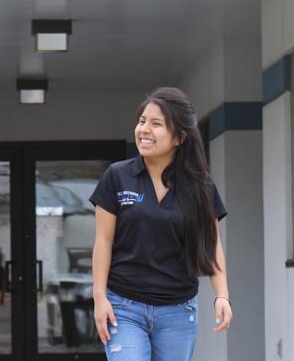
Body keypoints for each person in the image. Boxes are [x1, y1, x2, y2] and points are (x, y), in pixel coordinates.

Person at [89, 87, 232, 361]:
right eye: (142, 121)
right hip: (123, 306)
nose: (144, 130)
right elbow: (103, 242)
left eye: (156, 124)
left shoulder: (201, 186)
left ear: (179, 137)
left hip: (177, 310)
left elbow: (211, 245)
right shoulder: (117, 176)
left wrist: (222, 295)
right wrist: (99, 297)